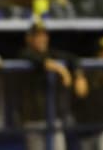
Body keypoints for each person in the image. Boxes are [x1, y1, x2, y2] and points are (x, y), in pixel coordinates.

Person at [17, 20, 88, 150]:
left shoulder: (51, 54)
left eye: (43, 35)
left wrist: (79, 76)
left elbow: (73, 58)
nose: (41, 39)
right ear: (29, 39)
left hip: (53, 118)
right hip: (33, 119)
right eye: (37, 36)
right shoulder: (25, 54)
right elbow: (36, 59)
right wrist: (61, 70)